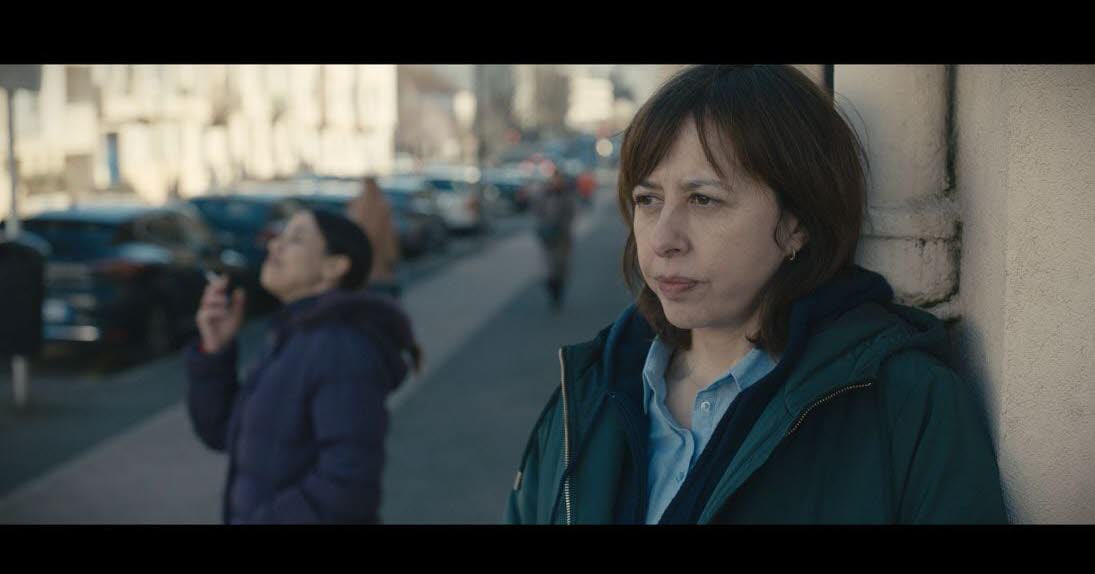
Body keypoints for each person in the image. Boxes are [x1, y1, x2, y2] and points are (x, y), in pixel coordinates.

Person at [504, 65, 1008, 524]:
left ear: (798, 224)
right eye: (648, 199)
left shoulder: (908, 410)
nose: (661, 240)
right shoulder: (585, 396)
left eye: (704, 199)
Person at [186, 208, 420, 524]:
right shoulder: (295, 334)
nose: (274, 246)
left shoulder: (341, 347)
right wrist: (215, 351)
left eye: (295, 239)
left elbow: (348, 488)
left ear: (334, 266)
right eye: (279, 236)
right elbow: (226, 433)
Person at [347, 175, 402, 300]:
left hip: (372, 266)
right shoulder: (370, 203)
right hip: (372, 267)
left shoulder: (367, 204)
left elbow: (389, 235)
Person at [533, 168, 578, 311]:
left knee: (562, 268)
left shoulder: (566, 195)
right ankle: (552, 290)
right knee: (549, 267)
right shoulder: (544, 194)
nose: (556, 182)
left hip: (562, 237)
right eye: (555, 179)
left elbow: (571, 214)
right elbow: (537, 212)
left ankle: (558, 293)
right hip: (547, 237)